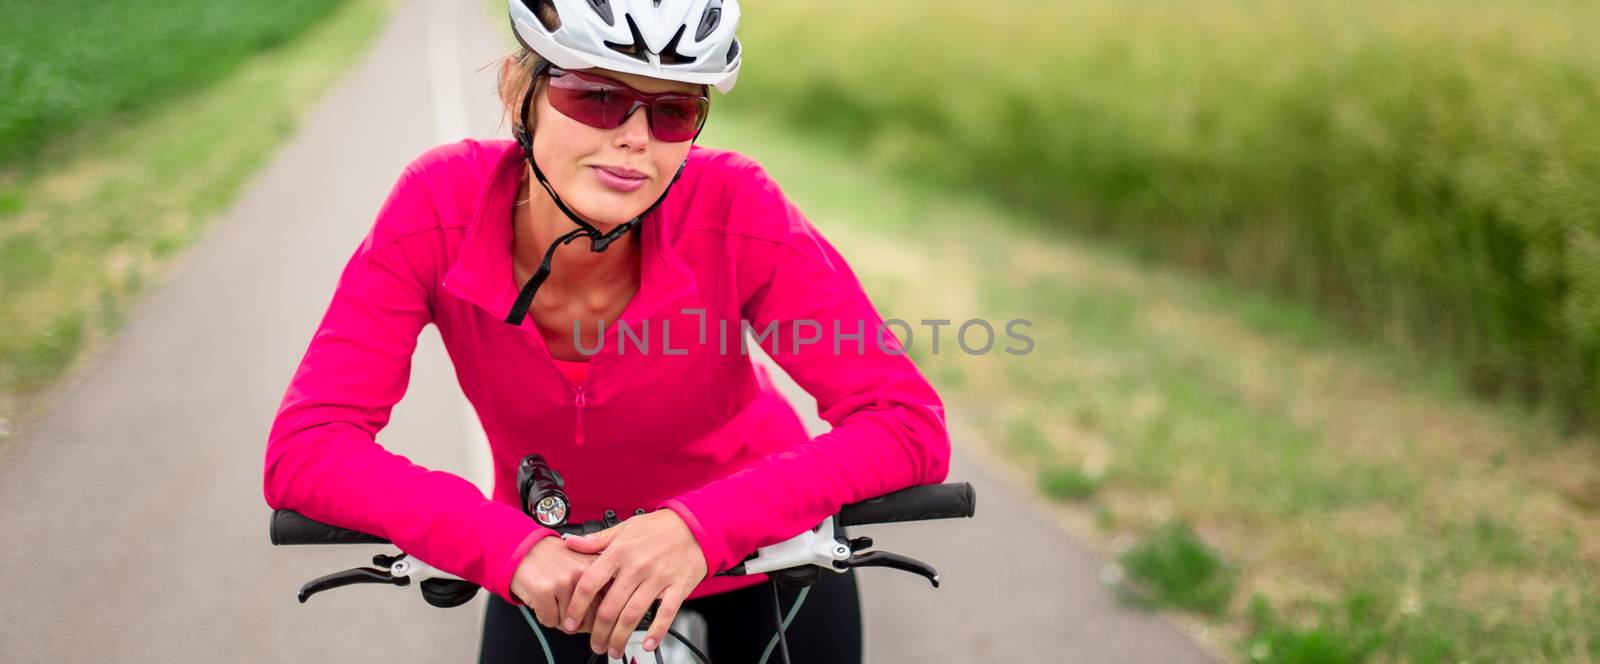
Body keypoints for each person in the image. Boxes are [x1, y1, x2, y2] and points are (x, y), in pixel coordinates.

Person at [261, 0, 950, 661]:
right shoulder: (436, 207)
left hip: (761, 551)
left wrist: (702, 526)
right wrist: (502, 544)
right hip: (553, 564)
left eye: (674, 111)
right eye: (595, 96)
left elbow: (904, 421)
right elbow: (309, 447)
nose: (634, 140)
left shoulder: (736, 204)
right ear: (518, 88)